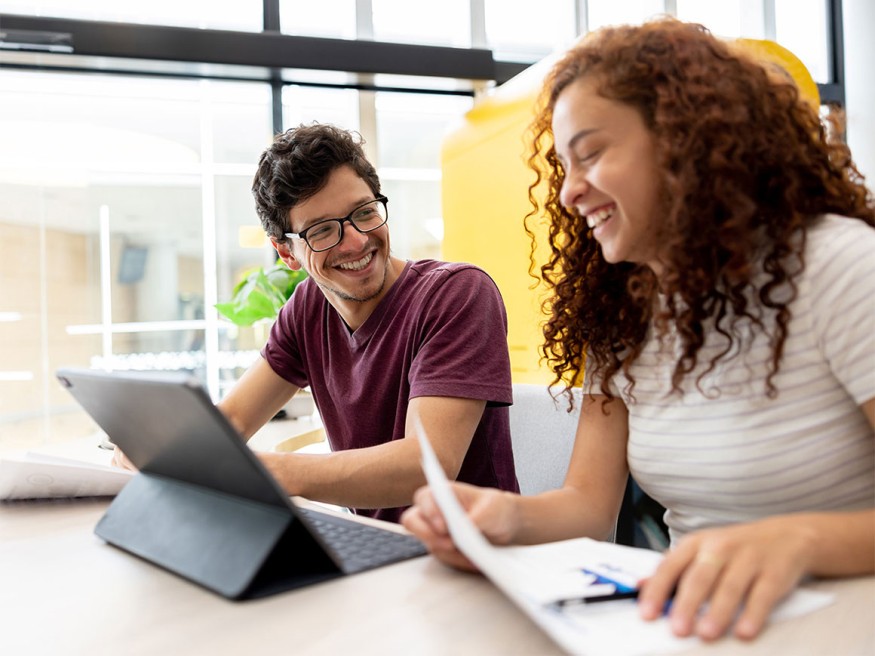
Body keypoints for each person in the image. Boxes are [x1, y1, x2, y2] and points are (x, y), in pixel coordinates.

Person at [401, 18, 875, 642]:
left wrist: (801, 539)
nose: (569, 193)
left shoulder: (839, 266)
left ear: (688, 143)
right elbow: (588, 506)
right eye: (563, 165)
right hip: (700, 627)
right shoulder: (619, 309)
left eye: (591, 153)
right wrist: (500, 517)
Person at [216, 122, 518, 523]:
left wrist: (276, 472)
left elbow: (426, 466)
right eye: (323, 231)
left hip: (473, 558)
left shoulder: (457, 294)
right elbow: (234, 419)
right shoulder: (308, 307)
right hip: (378, 548)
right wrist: (167, 448)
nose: (356, 241)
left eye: (364, 212)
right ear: (286, 253)